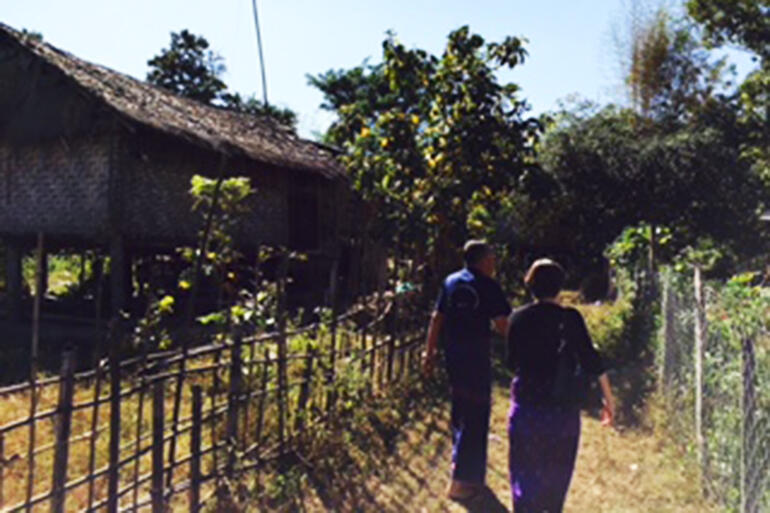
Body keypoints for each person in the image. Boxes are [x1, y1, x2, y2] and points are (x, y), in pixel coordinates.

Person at [506, 258, 615, 513]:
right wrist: (609, 399)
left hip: (527, 406)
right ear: (560, 287)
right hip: (562, 410)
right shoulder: (571, 319)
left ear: (530, 286)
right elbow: (592, 360)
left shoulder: (517, 318)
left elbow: (512, 362)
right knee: (557, 472)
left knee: (524, 469)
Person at [422, 240, 511, 500]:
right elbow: (503, 325)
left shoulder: (451, 282)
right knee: (476, 416)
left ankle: (461, 468)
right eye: (492, 258)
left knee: (460, 411)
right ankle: (461, 483)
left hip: (454, 359)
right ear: (483, 261)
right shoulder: (487, 286)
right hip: (476, 360)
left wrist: (430, 352)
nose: (494, 263)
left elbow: (437, 318)